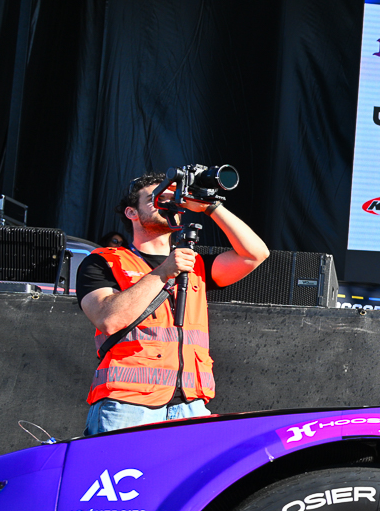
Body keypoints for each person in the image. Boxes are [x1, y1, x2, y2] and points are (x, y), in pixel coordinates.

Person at [78, 172, 269, 435]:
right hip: (128, 404)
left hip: (191, 405)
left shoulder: (196, 265)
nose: (170, 202)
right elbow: (108, 319)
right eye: (159, 198)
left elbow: (255, 254)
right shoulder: (104, 260)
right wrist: (163, 272)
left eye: (174, 197)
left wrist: (211, 207)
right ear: (132, 212)